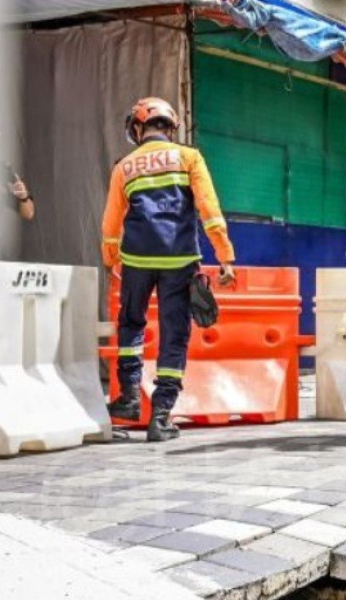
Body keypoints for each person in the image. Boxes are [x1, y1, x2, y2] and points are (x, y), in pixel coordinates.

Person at [102, 97, 236, 441]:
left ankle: (130, 397)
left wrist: (111, 259)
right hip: (179, 260)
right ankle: (160, 417)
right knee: (174, 334)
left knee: (132, 323)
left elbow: (111, 222)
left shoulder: (124, 167)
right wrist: (224, 256)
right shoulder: (189, 157)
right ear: (171, 127)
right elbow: (209, 208)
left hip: (136, 260)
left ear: (137, 128)